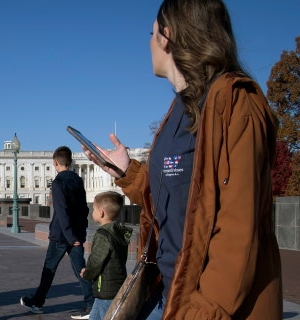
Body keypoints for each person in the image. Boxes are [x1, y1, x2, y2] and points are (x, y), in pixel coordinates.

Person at [83, 0, 282, 318]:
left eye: (150, 32)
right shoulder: (176, 111)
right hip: (166, 294)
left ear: (167, 35)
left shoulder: (236, 102)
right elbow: (175, 196)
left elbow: (239, 231)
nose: (148, 42)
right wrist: (129, 173)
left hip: (207, 306)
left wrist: (200, 312)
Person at [20, 146, 94, 319]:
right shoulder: (78, 180)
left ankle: (37, 303)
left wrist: (70, 236)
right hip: (76, 233)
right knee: (80, 269)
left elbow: (61, 211)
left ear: (55, 162)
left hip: (62, 235)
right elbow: (83, 209)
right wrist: (79, 234)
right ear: (70, 162)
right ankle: (91, 304)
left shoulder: (58, 182)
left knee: (49, 270)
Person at [79, 191, 132, 320]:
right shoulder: (120, 232)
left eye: (94, 209)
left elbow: (96, 260)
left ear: (101, 212)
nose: (92, 213)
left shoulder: (103, 234)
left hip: (106, 290)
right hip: (115, 285)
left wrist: (87, 273)